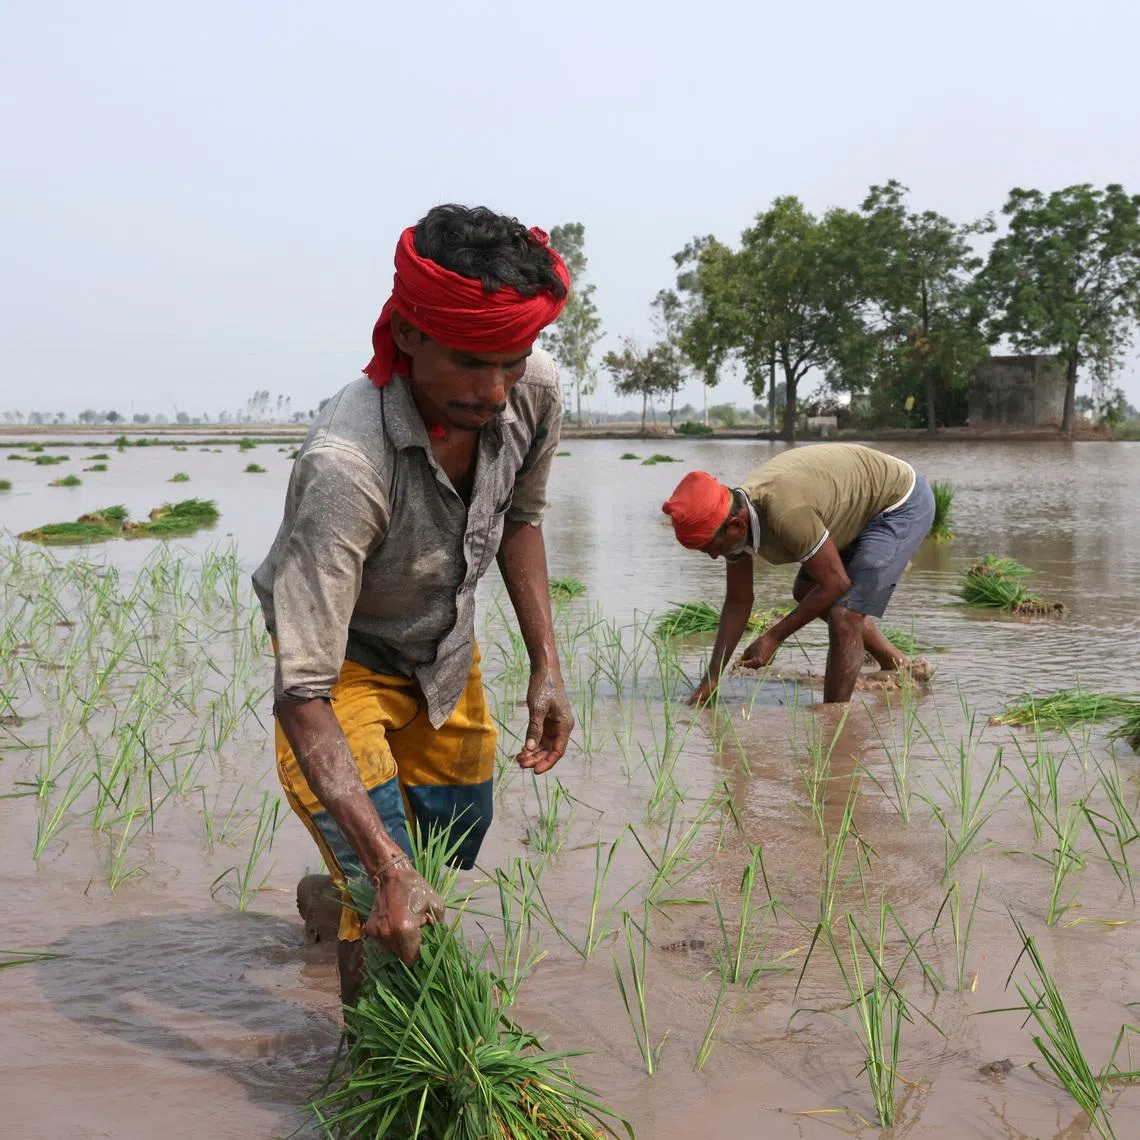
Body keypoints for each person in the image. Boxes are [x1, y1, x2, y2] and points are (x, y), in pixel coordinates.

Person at [253, 204, 574, 1003]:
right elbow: (302, 691)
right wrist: (384, 867)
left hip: (442, 656)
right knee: (387, 875)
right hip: (343, 673)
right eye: (472, 363)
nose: (497, 391)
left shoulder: (530, 392)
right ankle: (374, 1059)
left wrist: (547, 667)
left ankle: (338, 895)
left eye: (514, 359)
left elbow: (519, 520)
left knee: (453, 836)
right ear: (408, 335)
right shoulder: (345, 463)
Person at [661, 443, 935, 705]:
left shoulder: (785, 513)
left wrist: (773, 637)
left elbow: (837, 583)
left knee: (845, 614)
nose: (712, 555)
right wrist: (711, 680)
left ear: (735, 526)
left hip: (898, 503)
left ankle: (835, 720)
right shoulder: (735, 518)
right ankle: (895, 664)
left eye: (712, 548)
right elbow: (738, 601)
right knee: (805, 592)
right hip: (848, 505)